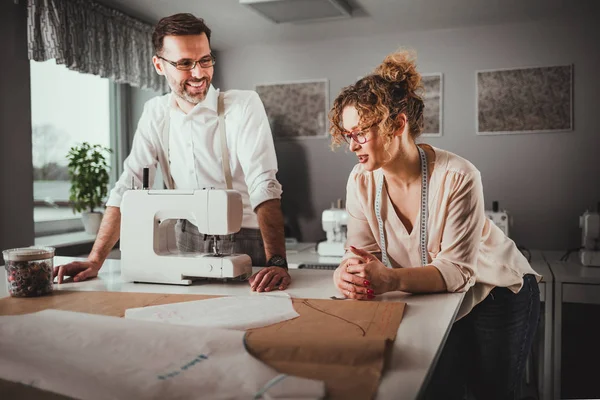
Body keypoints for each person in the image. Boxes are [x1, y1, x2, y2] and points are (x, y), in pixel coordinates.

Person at [328, 50, 541, 399]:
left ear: (398, 125)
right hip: (438, 296)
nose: (352, 146)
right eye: (346, 134)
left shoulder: (458, 176)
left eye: (360, 133)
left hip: (496, 291)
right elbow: (360, 253)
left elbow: (458, 272)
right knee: (442, 389)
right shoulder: (360, 181)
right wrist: (347, 273)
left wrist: (389, 278)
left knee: (492, 392)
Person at [54, 13, 290, 292]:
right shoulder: (155, 113)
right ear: (159, 65)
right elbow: (127, 187)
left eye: (205, 60)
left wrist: (277, 261)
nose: (199, 73)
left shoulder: (244, 105)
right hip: (185, 240)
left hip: (250, 239)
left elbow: (263, 183)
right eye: (184, 63)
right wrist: (95, 260)